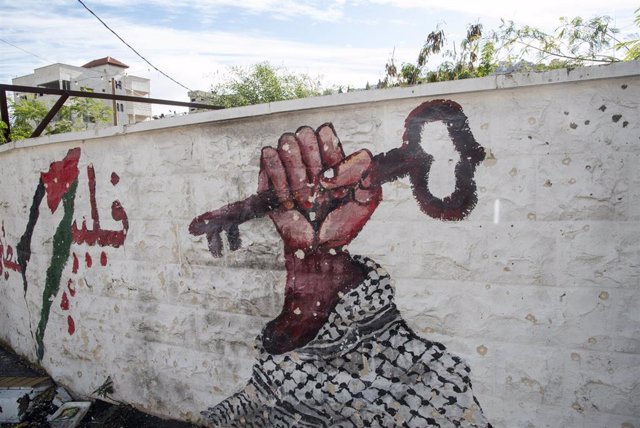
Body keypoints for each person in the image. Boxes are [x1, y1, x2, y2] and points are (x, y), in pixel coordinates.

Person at [202, 124, 491, 427]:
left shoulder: (436, 386)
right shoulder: (249, 403)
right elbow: (264, 400)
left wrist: (320, 277)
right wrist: (314, 271)